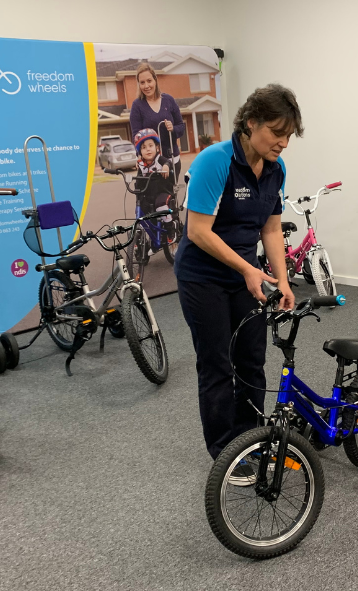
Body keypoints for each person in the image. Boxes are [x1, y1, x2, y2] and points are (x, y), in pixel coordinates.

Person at [173, 84, 301, 471]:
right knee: (216, 365)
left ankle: (250, 439)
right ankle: (225, 454)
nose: (284, 143)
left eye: (289, 135)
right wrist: (247, 268)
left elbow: (272, 230)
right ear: (251, 123)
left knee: (251, 360)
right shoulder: (216, 161)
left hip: (245, 277)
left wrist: (282, 281)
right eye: (277, 133)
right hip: (203, 278)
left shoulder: (276, 169)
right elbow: (198, 231)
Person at [129, 62, 186, 184]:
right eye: (142, 82)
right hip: (150, 165)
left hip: (172, 160)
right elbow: (136, 136)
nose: (146, 86)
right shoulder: (137, 106)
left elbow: (181, 127)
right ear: (139, 84)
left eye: (149, 81)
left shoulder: (169, 100)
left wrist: (173, 129)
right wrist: (139, 155)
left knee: (169, 199)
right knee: (149, 201)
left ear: (155, 80)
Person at [132, 128, 173, 251]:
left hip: (162, 191)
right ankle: (148, 239)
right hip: (148, 194)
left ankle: (170, 230)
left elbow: (168, 162)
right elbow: (139, 180)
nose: (148, 149)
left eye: (151, 146)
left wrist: (166, 167)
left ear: (157, 148)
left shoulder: (159, 160)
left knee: (161, 205)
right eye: (144, 147)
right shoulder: (141, 165)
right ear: (140, 152)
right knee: (141, 211)